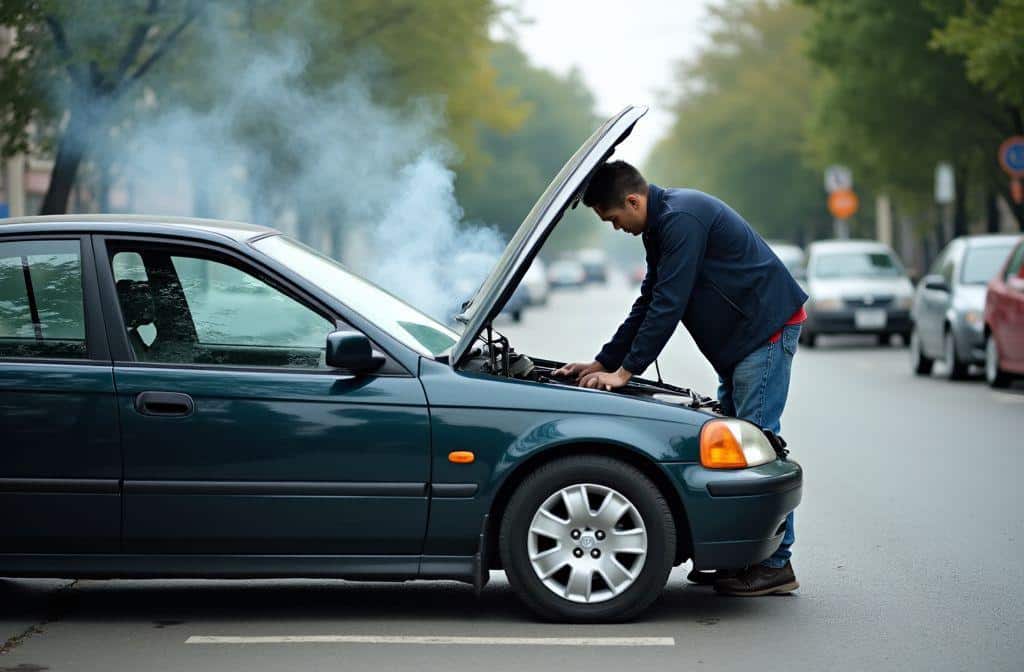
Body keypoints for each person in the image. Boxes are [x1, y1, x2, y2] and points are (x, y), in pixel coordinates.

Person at [554, 161, 807, 596]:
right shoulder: (660, 226)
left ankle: (776, 564)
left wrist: (625, 373)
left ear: (634, 201)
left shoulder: (681, 219)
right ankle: (741, 558)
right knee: (734, 453)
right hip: (740, 342)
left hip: (764, 331)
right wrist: (601, 363)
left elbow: (669, 304)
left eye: (613, 219)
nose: (615, 228)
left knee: (758, 448)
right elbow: (649, 299)